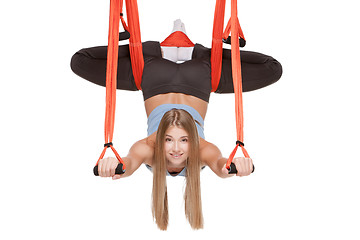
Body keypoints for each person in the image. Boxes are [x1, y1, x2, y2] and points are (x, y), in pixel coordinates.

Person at [70, 19, 280, 230]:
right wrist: (235, 168)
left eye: (170, 140)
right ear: (194, 141)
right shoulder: (202, 152)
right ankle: (196, 53)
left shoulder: (149, 149)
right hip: (199, 75)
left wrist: (114, 167)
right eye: (184, 140)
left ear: (159, 137)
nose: (176, 149)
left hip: (153, 72)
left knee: (79, 62)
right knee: (273, 69)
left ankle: (162, 51)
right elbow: (221, 166)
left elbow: (129, 164)